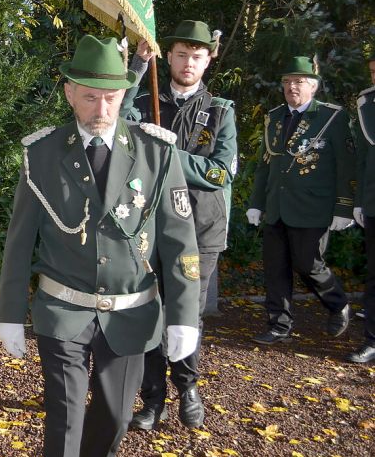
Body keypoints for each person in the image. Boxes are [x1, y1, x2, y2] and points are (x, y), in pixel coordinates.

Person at [0, 35, 201, 457]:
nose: (101, 110)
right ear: (70, 93)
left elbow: (181, 243)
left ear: (124, 93)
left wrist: (184, 317)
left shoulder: (156, 152)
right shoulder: (44, 152)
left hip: (131, 311)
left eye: (111, 98)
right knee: (65, 418)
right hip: (63, 308)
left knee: (113, 419)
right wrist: (10, 313)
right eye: (89, 98)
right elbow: (19, 241)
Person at [119, 21, 237, 430]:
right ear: (168, 57)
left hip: (201, 228)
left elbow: (221, 172)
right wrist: (137, 65)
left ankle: (187, 387)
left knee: (186, 310)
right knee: (151, 310)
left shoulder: (221, 111)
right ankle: (154, 400)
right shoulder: (150, 99)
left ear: (208, 61)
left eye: (197, 56)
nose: (189, 63)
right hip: (150, 224)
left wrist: (171, 154)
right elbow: (116, 113)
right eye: (182, 54)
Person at [246, 56, 354, 345]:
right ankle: (278, 325)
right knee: (275, 268)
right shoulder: (274, 116)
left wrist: (344, 207)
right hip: (276, 206)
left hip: (313, 206)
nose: (292, 87)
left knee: (309, 264)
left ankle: (338, 304)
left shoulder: (332, 117)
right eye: (287, 82)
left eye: (299, 81)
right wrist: (256, 202)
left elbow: (346, 165)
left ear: (314, 86)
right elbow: (265, 165)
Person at [348, 55, 375, 363]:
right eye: (372, 73)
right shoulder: (367, 104)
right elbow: (365, 160)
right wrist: (358, 202)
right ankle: (372, 339)